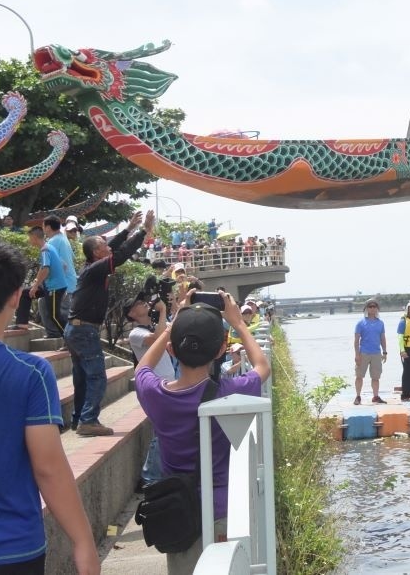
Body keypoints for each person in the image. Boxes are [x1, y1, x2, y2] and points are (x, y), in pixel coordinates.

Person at [0, 237, 100, 575]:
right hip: (14, 551)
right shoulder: (30, 373)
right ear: (16, 296)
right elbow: (48, 468)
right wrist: (82, 541)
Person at [136, 291, 270, 575]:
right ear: (221, 350)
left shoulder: (155, 395)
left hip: (178, 513)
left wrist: (172, 325)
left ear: (173, 349)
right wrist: (239, 323)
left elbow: (142, 368)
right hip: (222, 510)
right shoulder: (228, 391)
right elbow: (262, 367)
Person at [65, 209, 154, 436]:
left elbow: (114, 248)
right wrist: (143, 230)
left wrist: (128, 228)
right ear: (97, 253)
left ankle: (79, 419)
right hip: (84, 329)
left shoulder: (93, 266)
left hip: (76, 329)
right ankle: (88, 420)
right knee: (96, 375)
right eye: (104, 246)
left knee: (82, 377)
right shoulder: (95, 270)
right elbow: (120, 255)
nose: (109, 248)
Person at [125, 293, 174, 487]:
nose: (143, 303)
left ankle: (155, 474)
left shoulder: (154, 326)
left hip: (167, 382)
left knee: (165, 430)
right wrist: (162, 311)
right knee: (162, 431)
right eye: (137, 304)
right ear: (131, 314)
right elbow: (157, 339)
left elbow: (170, 331)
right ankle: (150, 477)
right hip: (154, 385)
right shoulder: (135, 333)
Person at [26, 226, 68, 339]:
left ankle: (69, 340)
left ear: (34, 237)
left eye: (29, 237)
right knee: (28, 295)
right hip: (57, 286)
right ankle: (62, 336)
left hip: (55, 287)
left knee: (54, 315)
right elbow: (64, 265)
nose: (29, 240)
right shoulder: (50, 247)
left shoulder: (44, 250)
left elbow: (46, 268)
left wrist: (35, 286)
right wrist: (38, 281)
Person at [41, 216, 78, 338]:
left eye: (43, 226)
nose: (43, 229)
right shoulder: (63, 239)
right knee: (47, 305)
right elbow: (71, 259)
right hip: (68, 282)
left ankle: (64, 336)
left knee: (60, 312)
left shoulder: (52, 242)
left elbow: (62, 265)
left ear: (48, 227)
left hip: (61, 284)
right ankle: (56, 333)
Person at [353, 298, 388, 405]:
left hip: (376, 353)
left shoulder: (380, 323)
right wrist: (357, 354)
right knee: (359, 376)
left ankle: (375, 396)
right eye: (370, 306)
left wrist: (385, 352)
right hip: (363, 353)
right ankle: (358, 396)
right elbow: (356, 340)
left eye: (374, 306)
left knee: (376, 377)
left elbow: (382, 338)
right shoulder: (360, 323)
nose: (372, 308)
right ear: (366, 308)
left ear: (377, 309)